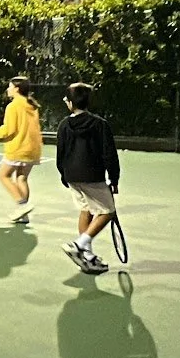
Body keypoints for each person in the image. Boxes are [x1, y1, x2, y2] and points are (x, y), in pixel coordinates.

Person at [55, 82, 120, 275]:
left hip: (72, 176)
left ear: (69, 103)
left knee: (86, 210)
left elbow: (61, 153)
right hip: (92, 176)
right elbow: (110, 154)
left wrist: (64, 175)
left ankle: (87, 256)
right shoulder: (100, 124)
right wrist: (114, 179)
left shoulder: (64, 125)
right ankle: (80, 244)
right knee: (108, 211)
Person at [0, 76, 43, 223]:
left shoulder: (13, 106)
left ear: (16, 89)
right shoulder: (32, 106)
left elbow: (8, 131)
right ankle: (24, 215)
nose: (8, 89)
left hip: (18, 149)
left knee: (3, 176)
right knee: (22, 178)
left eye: (10, 86)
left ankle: (22, 206)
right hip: (33, 149)